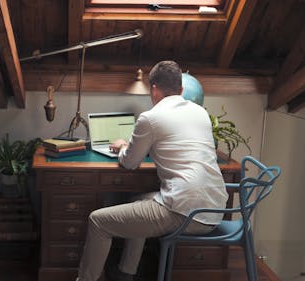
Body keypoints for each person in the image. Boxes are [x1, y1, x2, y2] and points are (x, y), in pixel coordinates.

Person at [76, 61, 228, 281]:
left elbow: (130, 163)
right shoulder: (200, 113)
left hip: (185, 213)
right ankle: (126, 272)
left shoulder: (151, 118)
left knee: (98, 221)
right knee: (139, 202)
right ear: (182, 90)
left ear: (154, 89)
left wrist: (122, 147)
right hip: (215, 210)